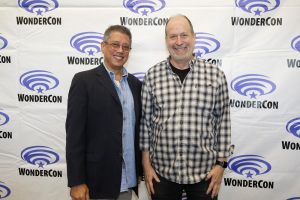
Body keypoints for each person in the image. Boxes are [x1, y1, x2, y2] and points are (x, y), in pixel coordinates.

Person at [140, 14, 231, 200]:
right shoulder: (152, 75)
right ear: (166, 40)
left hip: (204, 174)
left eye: (184, 35)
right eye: (173, 36)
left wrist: (220, 166)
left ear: (194, 37)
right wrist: (146, 166)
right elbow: (145, 124)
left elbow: (223, 122)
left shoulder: (215, 75)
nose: (179, 41)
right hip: (161, 173)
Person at [66, 25, 142, 200]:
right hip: (96, 182)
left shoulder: (136, 85)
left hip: (127, 180)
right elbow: (74, 135)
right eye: (115, 44)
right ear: (103, 46)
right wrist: (77, 181)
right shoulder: (83, 81)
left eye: (126, 47)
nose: (120, 50)